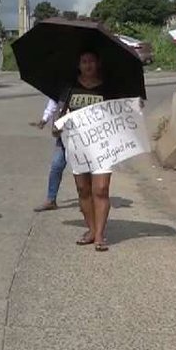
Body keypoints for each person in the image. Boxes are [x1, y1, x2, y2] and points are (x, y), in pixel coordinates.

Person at [56, 49, 116, 252]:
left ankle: (100, 234)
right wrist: (56, 125)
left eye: (91, 60)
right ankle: (91, 229)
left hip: (103, 145)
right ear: (78, 65)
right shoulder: (70, 87)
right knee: (83, 189)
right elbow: (61, 112)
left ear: (98, 63)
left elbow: (120, 111)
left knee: (101, 189)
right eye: (84, 61)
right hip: (77, 145)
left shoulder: (109, 87)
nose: (88, 65)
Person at [33, 97, 66, 212]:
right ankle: (51, 200)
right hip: (65, 135)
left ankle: (90, 200)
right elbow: (54, 102)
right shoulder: (64, 88)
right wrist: (44, 119)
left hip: (87, 137)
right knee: (57, 165)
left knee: (86, 172)